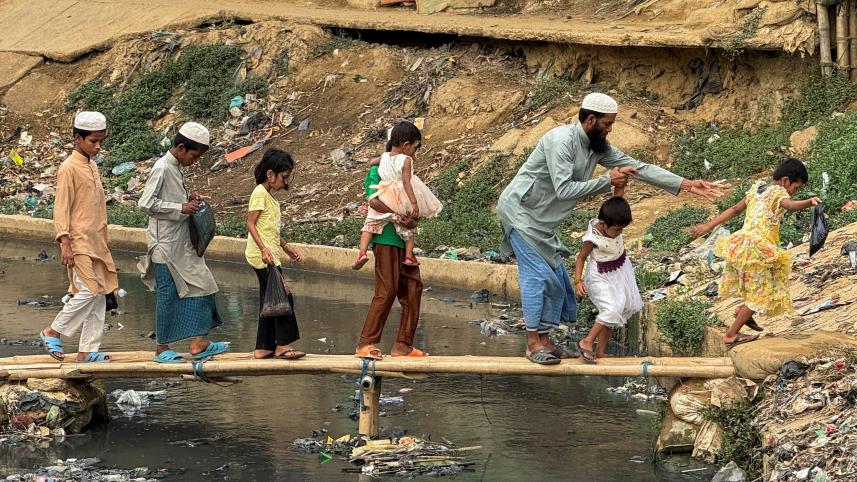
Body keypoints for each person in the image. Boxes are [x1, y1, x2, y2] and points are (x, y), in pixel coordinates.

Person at [496, 92, 723, 365]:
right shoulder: (561, 141)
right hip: (519, 213)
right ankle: (533, 345)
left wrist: (685, 184)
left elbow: (637, 167)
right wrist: (606, 180)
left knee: (557, 282)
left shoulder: (597, 146)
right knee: (539, 278)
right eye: (607, 124)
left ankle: (545, 341)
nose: (610, 129)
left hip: (542, 223)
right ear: (591, 120)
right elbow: (564, 189)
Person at [690, 158, 820, 348]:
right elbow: (790, 206)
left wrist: (708, 226)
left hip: (743, 244)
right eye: (796, 188)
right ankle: (731, 334)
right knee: (763, 293)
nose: (794, 192)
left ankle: (742, 312)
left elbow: (734, 210)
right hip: (758, 248)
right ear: (785, 181)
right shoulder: (778, 192)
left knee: (760, 285)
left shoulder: (756, 190)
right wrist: (809, 202)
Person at [138, 122, 230, 364]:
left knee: (203, 285)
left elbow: (168, 199)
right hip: (165, 246)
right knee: (168, 295)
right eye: (194, 155)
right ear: (181, 148)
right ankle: (162, 348)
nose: (195, 160)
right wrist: (179, 207)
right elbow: (145, 204)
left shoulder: (176, 167)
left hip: (180, 244)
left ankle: (198, 342)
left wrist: (189, 200)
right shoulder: (162, 168)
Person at [39, 111, 118, 363]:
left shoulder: (92, 166)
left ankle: (87, 350)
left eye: (100, 141)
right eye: (93, 141)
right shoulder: (68, 168)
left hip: (97, 241)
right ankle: (53, 330)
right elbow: (61, 207)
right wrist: (64, 241)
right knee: (88, 290)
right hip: (78, 240)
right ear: (77, 138)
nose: (97, 146)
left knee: (100, 293)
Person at [354, 137, 426, 360]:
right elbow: (373, 200)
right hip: (385, 237)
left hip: (403, 241)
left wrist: (411, 220)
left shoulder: (407, 176)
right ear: (404, 146)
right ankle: (366, 343)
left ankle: (403, 344)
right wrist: (396, 215)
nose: (413, 155)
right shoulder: (377, 170)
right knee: (386, 290)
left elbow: (414, 214)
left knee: (413, 288)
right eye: (413, 148)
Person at [352, 121, 442, 270]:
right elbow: (406, 183)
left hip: (385, 194)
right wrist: (412, 205)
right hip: (396, 214)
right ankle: (408, 256)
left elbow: (371, 162)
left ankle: (362, 252)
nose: (414, 152)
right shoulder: (406, 161)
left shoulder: (384, 159)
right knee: (409, 231)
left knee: (369, 224)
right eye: (414, 148)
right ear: (406, 145)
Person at [245, 149, 304, 360]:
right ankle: (282, 346)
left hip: (269, 254)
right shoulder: (260, 193)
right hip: (263, 257)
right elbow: (251, 224)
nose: (284, 182)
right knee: (283, 298)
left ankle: (264, 347)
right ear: (270, 174)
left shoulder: (267, 196)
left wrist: (285, 246)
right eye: (284, 177)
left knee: (269, 300)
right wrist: (263, 249)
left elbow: (267, 228)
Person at [573, 196, 642, 363]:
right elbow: (581, 258)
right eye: (617, 230)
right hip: (600, 276)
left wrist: (622, 179)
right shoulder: (593, 238)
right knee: (610, 309)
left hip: (620, 271)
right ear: (603, 224)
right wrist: (578, 280)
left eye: (621, 230)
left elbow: (618, 196)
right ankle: (587, 341)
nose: (619, 233)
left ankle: (601, 351)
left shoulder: (614, 219)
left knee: (618, 308)